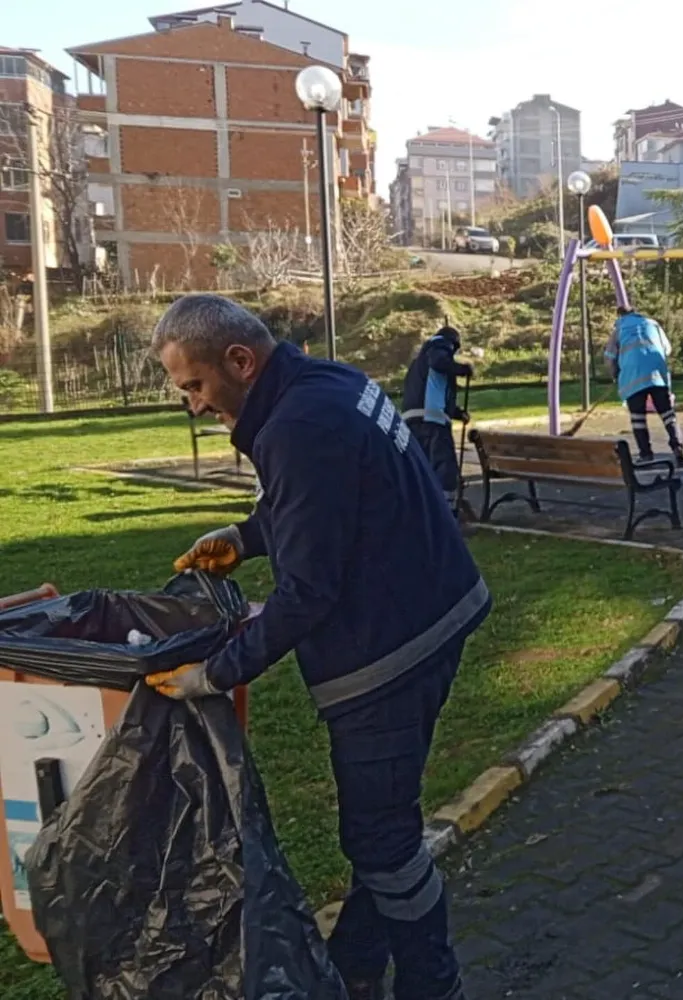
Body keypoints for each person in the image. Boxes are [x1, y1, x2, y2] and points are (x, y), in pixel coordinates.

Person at [144, 295, 490, 1000]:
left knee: (384, 843)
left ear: (239, 361)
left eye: (196, 386)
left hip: (388, 654)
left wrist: (210, 675)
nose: (193, 406)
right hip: (436, 611)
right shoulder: (330, 382)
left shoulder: (296, 425)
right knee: (379, 827)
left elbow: (307, 594)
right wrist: (243, 539)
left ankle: (433, 985)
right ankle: (355, 965)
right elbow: (320, 500)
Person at [604, 305, 683, 465]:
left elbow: (609, 358)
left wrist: (615, 373)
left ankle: (646, 453)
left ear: (620, 316)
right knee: (668, 415)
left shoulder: (619, 330)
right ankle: (678, 446)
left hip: (632, 377)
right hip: (657, 375)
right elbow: (667, 349)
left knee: (638, 419)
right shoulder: (652, 324)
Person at [401, 325, 472, 510]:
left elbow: (431, 392)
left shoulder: (418, 362)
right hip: (433, 423)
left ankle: (421, 509)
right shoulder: (439, 346)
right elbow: (439, 362)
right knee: (443, 468)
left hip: (413, 421)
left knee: (422, 469)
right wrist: (462, 369)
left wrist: (456, 413)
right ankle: (447, 513)